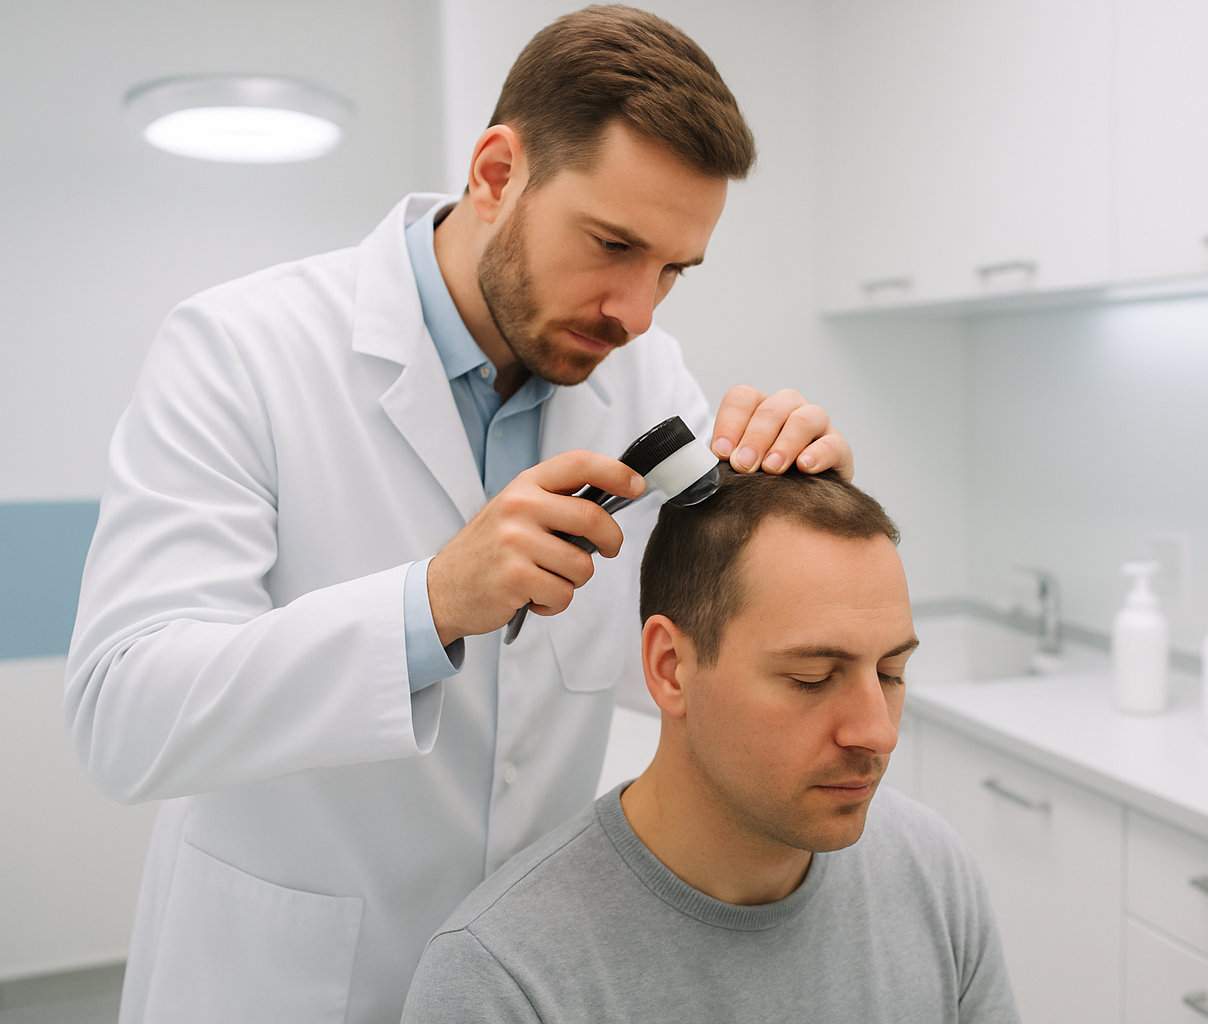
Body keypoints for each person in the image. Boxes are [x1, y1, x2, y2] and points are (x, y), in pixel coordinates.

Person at [63, 8, 853, 1024]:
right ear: (495, 173)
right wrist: (430, 603)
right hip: (289, 982)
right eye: (611, 244)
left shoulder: (644, 378)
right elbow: (122, 714)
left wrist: (805, 506)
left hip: (526, 980)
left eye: (670, 269)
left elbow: (698, 641)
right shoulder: (239, 351)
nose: (637, 312)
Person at [400, 470, 1020, 1023]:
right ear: (671, 668)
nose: (878, 732)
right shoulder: (502, 981)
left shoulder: (931, 873)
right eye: (811, 678)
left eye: (890, 673)